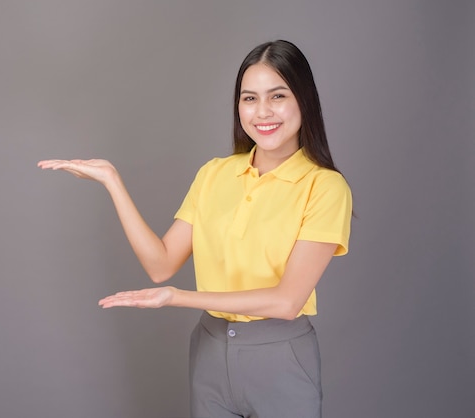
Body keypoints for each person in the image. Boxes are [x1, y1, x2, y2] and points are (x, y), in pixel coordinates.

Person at [38, 40, 352, 418]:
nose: (262, 112)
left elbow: (286, 302)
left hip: (281, 359)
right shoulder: (214, 174)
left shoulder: (325, 187)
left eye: (278, 95)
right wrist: (113, 183)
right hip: (209, 353)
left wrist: (178, 298)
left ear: (304, 100)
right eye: (249, 98)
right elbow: (161, 264)